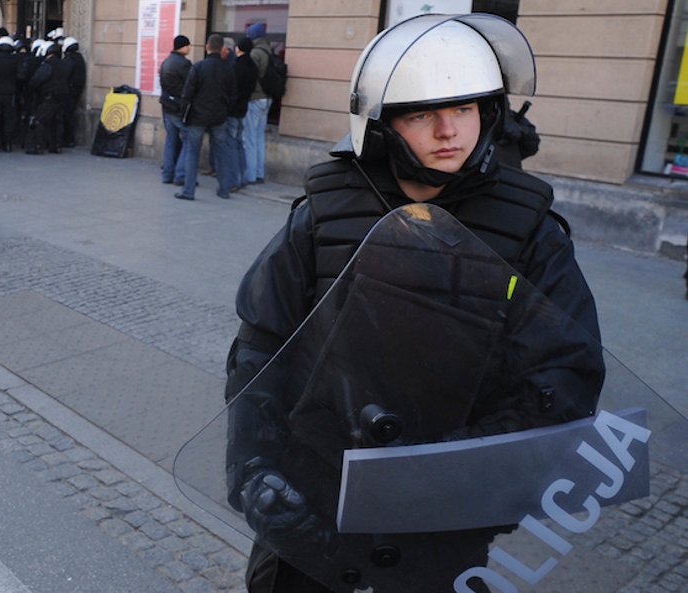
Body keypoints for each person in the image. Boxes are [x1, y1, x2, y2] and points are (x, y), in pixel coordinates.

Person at [224, 14, 604, 593]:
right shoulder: (323, 215)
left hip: (439, 514)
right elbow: (259, 349)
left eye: (465, 109)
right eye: (423, 113)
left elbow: (564, 379)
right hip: (315, 501)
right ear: (382, 123)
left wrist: (444, 469)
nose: (449, 130)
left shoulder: (529, 231)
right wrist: (256, 470)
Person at [175, 34, 236, 201]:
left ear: (206, 47)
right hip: (219, 117)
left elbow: (187, 94)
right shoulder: (228, 69)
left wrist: (184, 114)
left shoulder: (198, 67)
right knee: (221, 153)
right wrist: (225, 110)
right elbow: (232, 94)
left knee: (192, 152)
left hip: (197, 117)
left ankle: (188, 190)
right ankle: (224, 189)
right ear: (222, 48)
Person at [26, 42, 72, 154]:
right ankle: (56, 146)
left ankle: (37, 146)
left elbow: (37, 80)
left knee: (39, 120)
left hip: (49, 96)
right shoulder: (65, 64)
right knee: (57, 122)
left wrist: (31, 89)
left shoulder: (47, 64)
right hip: (63, 96)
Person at [226, 37, 259, 191]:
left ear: (238, 48)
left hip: (232, 109)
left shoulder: (236, 66)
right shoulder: (252, 66)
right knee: (240, 143)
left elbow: (231, 89)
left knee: (232, 144)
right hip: (243, 108)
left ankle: (234, 180)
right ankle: (243, 176)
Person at [159, 34, 192, 185]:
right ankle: (180, 175)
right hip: (179, 107)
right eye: (188, 45)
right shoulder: (184, 64)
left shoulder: (166, 62)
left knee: (171, 141)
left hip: (167, 105)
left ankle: (167, 175)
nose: (189, 48)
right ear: (182, 46)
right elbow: (191, 85)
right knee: (188, 141)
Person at [242, 22, 272, 185]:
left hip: (255, 99)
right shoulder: (269, 49)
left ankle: (251, 175)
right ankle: (260, 173)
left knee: (250, 138)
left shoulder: (255, 53)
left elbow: (251, 78)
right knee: (260, 137)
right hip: (267, 99)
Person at [62, 36, 86, 147]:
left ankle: (68, 139)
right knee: (70, 114)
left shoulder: (69, 60)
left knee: (67, 115)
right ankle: (69, 139)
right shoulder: (80, 58)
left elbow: (65, 75)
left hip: (69, 90)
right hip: (77, 90)